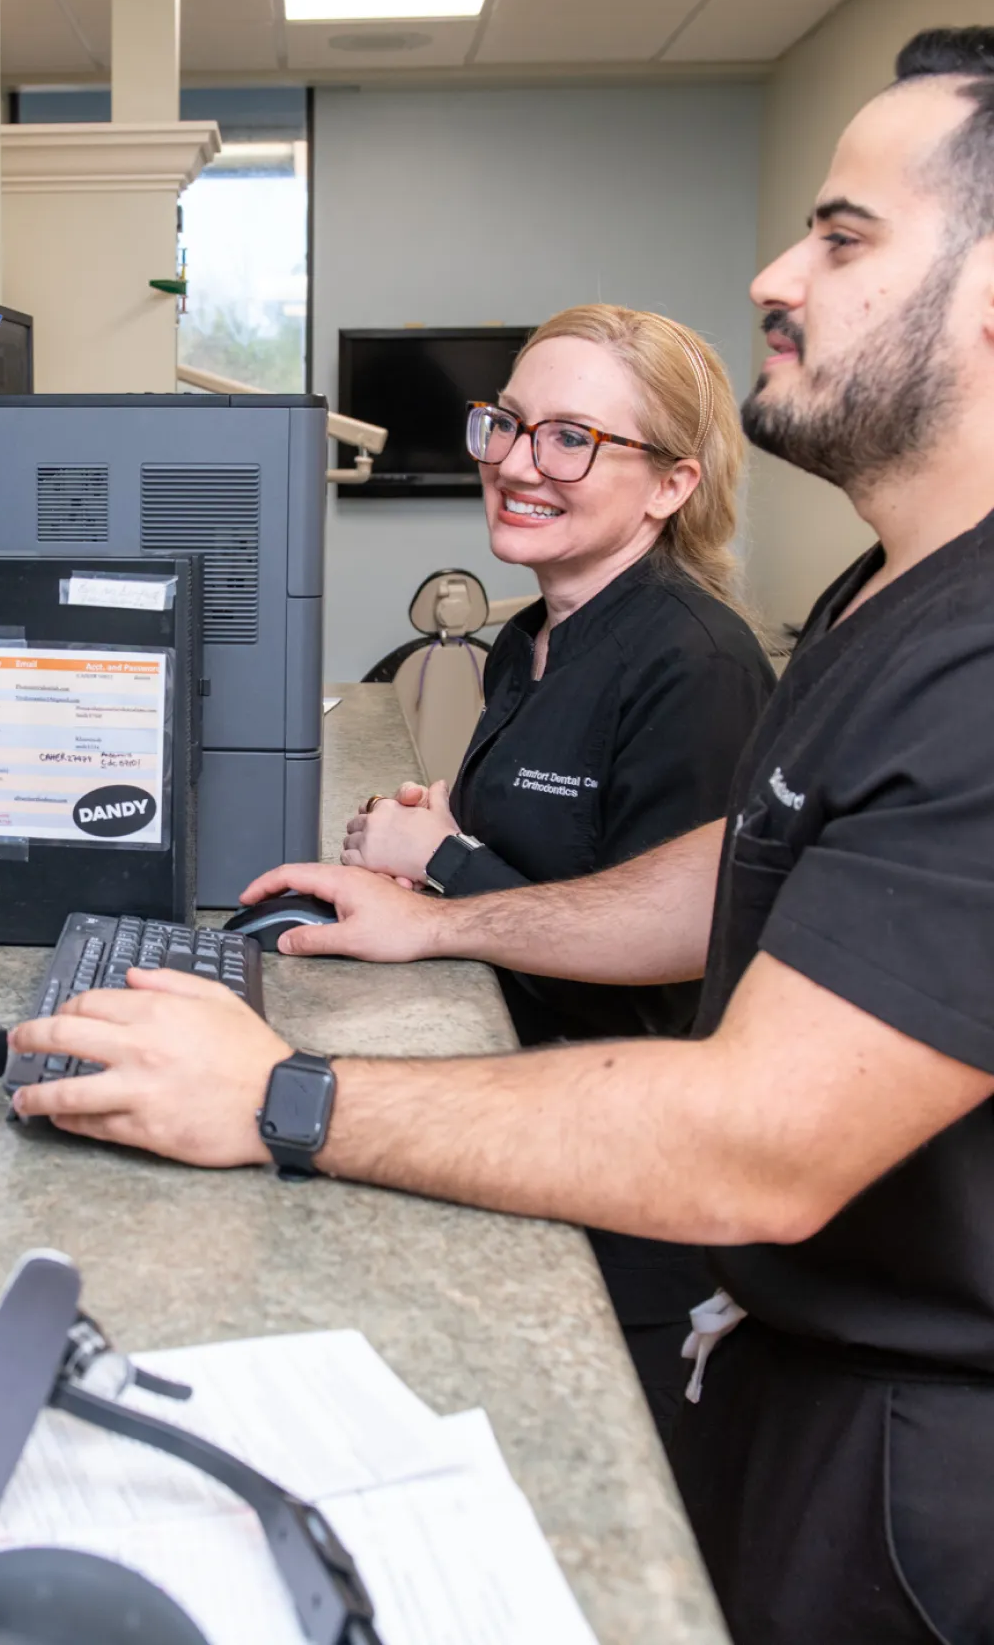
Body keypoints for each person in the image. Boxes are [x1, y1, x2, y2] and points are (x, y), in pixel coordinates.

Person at [10, 24, 994, 1645]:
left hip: (989, 1475)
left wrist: (278, 1093)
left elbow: (763, 1136)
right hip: (839, 1373)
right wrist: (450, 920)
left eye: (840, 234)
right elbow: (740, 869)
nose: (777, 273)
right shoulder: (934, 578)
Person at [342, 304, 776, 1437]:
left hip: (626, 1176)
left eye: (571, 438)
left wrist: (443, 865)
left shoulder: (695, 664)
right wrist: (447, 835)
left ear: (671, 485)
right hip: (520, 1112)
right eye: (508, 424)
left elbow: (667, 943)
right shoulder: (523, 639)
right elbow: (550, 850)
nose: (518, 465)